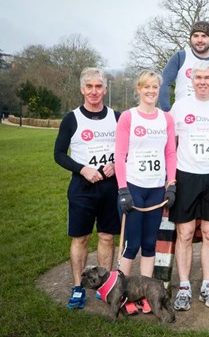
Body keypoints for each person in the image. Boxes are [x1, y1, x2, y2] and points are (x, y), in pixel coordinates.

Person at [168, 61, 209, 311]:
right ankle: (184, 286)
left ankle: (207, 284)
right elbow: (170, 144)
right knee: (184, 234)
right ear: (192, 80)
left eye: (208, 77)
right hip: (186, 175)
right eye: (199, 78)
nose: (203, 81)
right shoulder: (180, 106)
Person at [54, 67, 121, 310]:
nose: (94, 91)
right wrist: (82, 169)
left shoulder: (117, 117)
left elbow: (127, 149)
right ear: (82, 89)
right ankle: (78, 287)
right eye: (89, 86)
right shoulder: (72, 118)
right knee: (80, 238)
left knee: (106, 236)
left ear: (105, 89)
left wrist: (116, 163)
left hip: (109, 186)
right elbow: (59, 154)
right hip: (82, 186)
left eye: (98, 86)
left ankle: (104, 287)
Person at [114, 70, 177, 314]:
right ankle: (123, 295)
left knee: (150, 243)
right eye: (146, 87)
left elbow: (170, 153)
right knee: (132, 244)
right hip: (134, 187)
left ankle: (145, 295)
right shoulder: (128, 118)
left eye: (155, 87)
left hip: (156, 188)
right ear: (138, 89)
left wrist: (171, 183)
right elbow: (120, 156)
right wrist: (122, 189)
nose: (151, 91)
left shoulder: (166, 119)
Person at [159, 21, 209, 111]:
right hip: (183, 115)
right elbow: (163, 83)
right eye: (195, 36)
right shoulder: (180, 57)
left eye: (204, 36)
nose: (199, 40)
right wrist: (167, 111)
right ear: (191, 38)